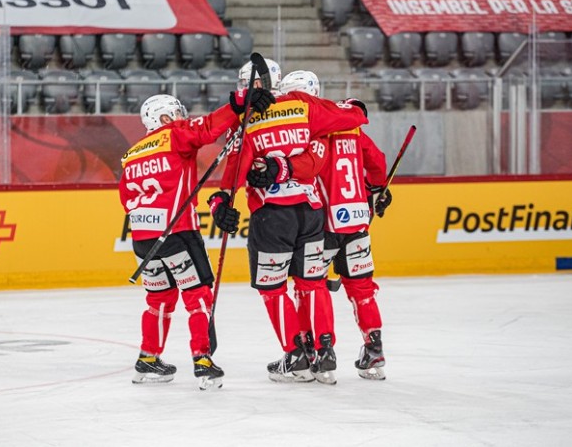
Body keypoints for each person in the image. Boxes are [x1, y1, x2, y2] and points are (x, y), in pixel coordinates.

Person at [208, 63, 369, 384]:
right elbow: (354, 117)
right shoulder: (304, 105)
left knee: (273, 288)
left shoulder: (247, 120)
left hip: (272, 217)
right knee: (312, 282)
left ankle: (296, 356)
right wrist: (354, 106)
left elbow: (235, 170)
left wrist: (221, 201)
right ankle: (324, 351)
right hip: (311, 213)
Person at [120, 89, 274, 390]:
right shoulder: (172, 134)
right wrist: (238, 103)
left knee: (158, 299)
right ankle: (203, 361)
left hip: (142, 238)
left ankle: (147, 358)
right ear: (163, 118)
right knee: (198, 297)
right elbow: (205, 129)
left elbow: (126, 200)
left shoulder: (131, 154)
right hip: (178, 233)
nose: (182, 117)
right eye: (176, 113)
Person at [275, 71, 393, 381]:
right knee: (362, 289)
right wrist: (378, 188)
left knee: (307, 286)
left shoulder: (308, 130)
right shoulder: (351, 126)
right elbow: (377, 162)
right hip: (356, 219)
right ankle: (374, 351)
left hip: (321, 223)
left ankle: (320, 351)